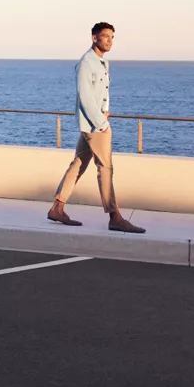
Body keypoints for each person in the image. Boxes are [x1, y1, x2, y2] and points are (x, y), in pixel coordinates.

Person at [47, 22, 145, 233]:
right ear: (94, 38)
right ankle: (115, 217)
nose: (110, 40)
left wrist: (106, 110)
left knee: (79, 163)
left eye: (112, 36)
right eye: (105, 36)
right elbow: (85, 97)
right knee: (106, 167)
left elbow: (102, 92)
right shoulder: (86, 63)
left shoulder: (102, 62)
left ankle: (57, 207)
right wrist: (101, 123)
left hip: (94, 123)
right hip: (94, 126)